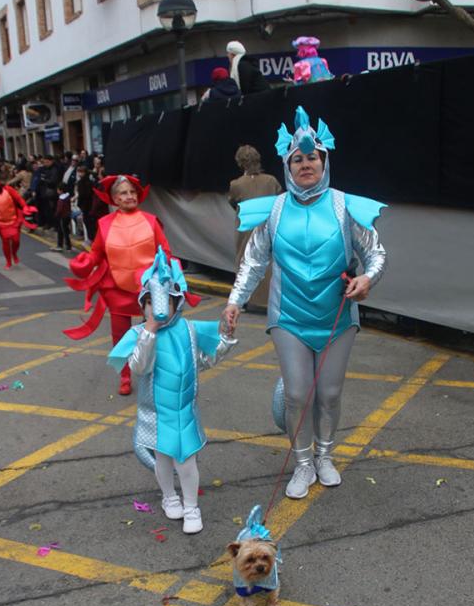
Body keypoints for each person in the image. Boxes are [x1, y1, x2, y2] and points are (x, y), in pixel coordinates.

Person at [222, 106, 387, 499]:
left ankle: (325, 456)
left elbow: (376, 254)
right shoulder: (275, 209)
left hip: (337, 316)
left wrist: (367, 278)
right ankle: (302, 463)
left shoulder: (345, 206)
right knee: (298, 393)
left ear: (324, 160)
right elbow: (254, 259)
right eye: (298, 159)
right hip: (289, 317)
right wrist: (234, 302)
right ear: (287, 165)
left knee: (329, 393)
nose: (306, 164)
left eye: (313, 157)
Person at [108, 248, 236, 534]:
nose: (159, 308)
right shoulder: (139, 334)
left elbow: (204, 361)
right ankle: (169, 496)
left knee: (186, 459)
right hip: (155, 412)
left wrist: (224, 339)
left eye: (166, 301)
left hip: (184, 410)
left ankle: (191, 506)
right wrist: (150, 330)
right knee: (163, 457)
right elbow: (139, 368)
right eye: (150, 303)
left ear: (178, 302)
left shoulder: (189, 330)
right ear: (143, 304)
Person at [63, 174, 172, 396]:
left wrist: (166, 271)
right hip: (117, 288)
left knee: (151, 334)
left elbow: (165, 251)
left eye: (132, 192)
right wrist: (85, 263)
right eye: (124, 193)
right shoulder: (105, 224)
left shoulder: (151, 221)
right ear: (114, 199)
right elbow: (96, 253)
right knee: (120, 336)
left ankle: (152, 374)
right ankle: (124, 376)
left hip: (147, 290)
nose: (130, 196)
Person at [228, 145, 282, 310]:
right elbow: (280, 198)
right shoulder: (271, 181)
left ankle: (244, 300)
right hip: (268, 226)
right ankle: (271, 300)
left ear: (240, 163)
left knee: (244, 261)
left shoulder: (236, 184)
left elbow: (232, 202)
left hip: (246, 229)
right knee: (270, 263)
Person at [0, 172, 36, 269]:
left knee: (16, 241)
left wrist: (25, 207)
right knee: (5, 242)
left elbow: (18, 198)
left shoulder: (8, 189)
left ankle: (14, 253)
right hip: (0, 222)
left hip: (13, 220)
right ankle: (8, 261)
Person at [54, 182, 72, 252]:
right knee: (64, 231)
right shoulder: (67, 197)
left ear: (61, 190)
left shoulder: (62, 199)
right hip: (67, 216)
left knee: (62, 231)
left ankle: (64, 245)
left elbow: (59, 209)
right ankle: (65, 245)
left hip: (62, 216)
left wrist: (56, 215)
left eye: (58, 190)